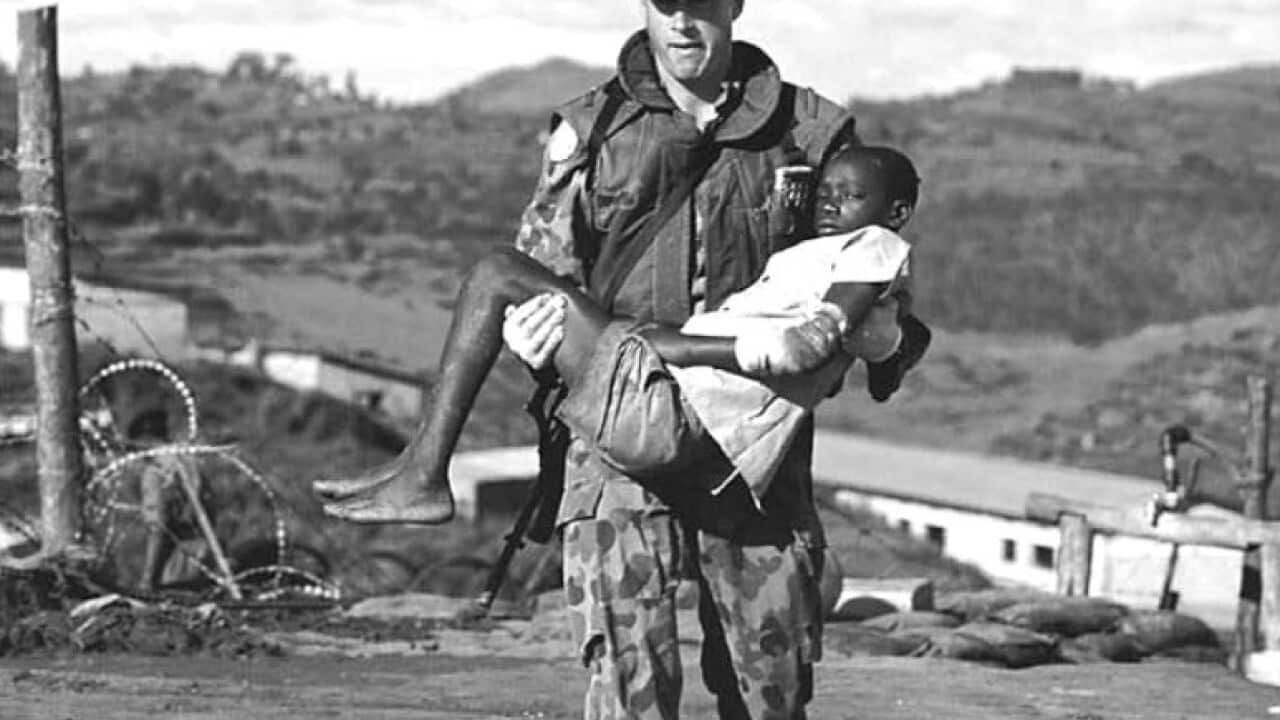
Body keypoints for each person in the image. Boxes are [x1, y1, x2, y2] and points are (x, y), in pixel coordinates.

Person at [328, 2, 929, 716]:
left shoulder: (814, 134)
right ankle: (423, 475)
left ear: (734, 6)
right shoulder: (591, 129)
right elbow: (545, 269)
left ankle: (422, 473)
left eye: (702, 5)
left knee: (770, 690)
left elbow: (883, 293)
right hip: (622, 432)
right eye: (664, 5)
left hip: (750, 453)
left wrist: (880, 342)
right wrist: (534, 340)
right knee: (628, 682)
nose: (682, 24)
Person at [317, 145, 922, 526]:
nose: (830, 202)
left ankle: (423, 474)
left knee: (495, 273)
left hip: (670, 402)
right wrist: (890, 350)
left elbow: (809, 341)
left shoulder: (868, 236)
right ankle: (416, 466)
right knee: (504, 279)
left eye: (851, 196)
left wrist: (671, 342)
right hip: (680, 411)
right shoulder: (605, 119)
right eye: (827, 191)